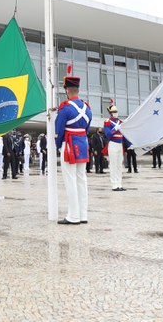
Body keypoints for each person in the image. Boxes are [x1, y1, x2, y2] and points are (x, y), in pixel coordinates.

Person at [55, 67, 92, 225]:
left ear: (67, 91)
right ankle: (83, 215)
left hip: (69, 146)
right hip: (83, 144)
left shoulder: (65, 108)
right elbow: (87, 129)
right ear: (77, 90)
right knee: (81, 180)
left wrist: (58, 145)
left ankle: (73, 216)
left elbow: (58, 131)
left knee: (70, 181)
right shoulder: (87, 109)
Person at [103, 100, 129, 191]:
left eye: (116, 112)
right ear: (110, 113)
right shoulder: (107, 122)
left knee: (119, 165)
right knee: (113, 164)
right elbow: (108, 134)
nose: (115, 113)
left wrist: (130, 144)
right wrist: (115, 129)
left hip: (120, 144)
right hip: (113, 144)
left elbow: (124, 136)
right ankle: (114, 184)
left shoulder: (121, 122)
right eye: (114, 112)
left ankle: (119, 184)